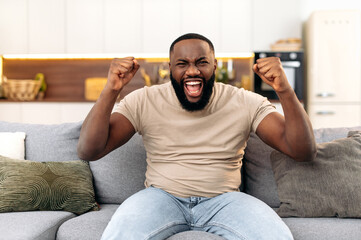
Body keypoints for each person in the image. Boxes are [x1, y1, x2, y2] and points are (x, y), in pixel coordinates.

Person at [77, 33, 316, 240]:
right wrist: (111, 90)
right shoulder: (144, 100)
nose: (192, 70)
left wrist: (284, 90)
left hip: (225, 200)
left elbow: (302, 151)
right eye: (182, 63)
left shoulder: (244, 101)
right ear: (170, 68)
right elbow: (89, 150)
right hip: (161, 197)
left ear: (214, 66)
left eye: (202, 62)